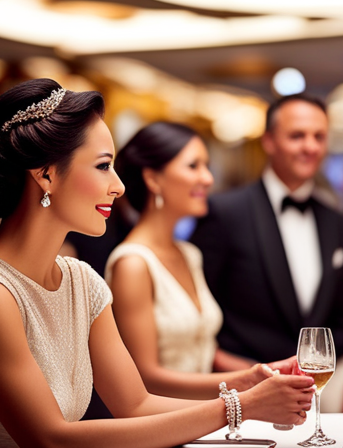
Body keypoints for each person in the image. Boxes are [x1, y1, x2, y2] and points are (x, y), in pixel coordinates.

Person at [0, 78, 313, 447]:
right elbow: (49, 437)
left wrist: (247, 383)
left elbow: (136, 404)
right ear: (46, 174)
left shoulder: (82, 281)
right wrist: (239, 407)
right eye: (104, 166)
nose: (120, 186)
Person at [107, 121, 298, 399]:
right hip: (163, 424)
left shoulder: (189, 254)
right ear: (153, 179)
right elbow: (146, 377)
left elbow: (200, 347)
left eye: (206, 166)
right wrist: (244, 382)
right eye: (193, 166)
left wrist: (264, 371)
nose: (208, 178)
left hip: (206, 416)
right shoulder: (133, 264)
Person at [190, 94, 343, 364]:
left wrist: (313, 367)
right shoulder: (225, 213)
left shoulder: (337, 222)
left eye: (319, 137)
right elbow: (197, 311)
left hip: (313, 385)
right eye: (297, 136)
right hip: (241, 386)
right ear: (268, 141)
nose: (310, 146)